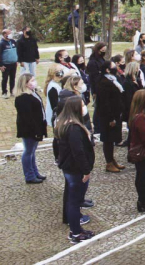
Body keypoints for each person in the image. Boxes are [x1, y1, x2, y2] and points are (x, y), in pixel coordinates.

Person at [55, 96, 95, 243]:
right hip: (75, 169)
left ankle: (77, 229)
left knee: (74, 200)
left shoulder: (65, 124)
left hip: (70, 168)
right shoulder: (73, 128)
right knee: (74, 201)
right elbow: (78, 151)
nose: (85, 107)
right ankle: (76, 233)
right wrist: (86, 170)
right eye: (83, 104)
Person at [94, 60, 126, 173]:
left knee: (112, 139)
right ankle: (109, 162)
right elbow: (105, 103)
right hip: (108, 116)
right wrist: (111, 118)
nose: (116, 67)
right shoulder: (104, 83)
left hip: (115, 113)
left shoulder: (112, 79)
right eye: (113, 66)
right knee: (108, 139)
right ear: (107, 69)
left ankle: (112, 160)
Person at [14, 73, 47, 183]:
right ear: (26, 83)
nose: (34, 82)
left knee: (32, 151)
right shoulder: (23, 98)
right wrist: (36, 130)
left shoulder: (33, 93)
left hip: (36, 127)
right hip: (29, 129)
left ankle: (34, 172)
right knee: (28, 151)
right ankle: (29, 175)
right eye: (32, 80)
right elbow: (27, 117)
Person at [0, 29, 18, 99]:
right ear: (5, 34)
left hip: (13, 63)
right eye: (9, 33)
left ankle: (12, 91)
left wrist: (16, 60)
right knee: (5, 78)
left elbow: (16, 51)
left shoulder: (13, 41)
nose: (10, 34)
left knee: (12, 78)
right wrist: (1, 65)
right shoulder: (2, 43)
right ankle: (4, 92)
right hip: (5, 64)